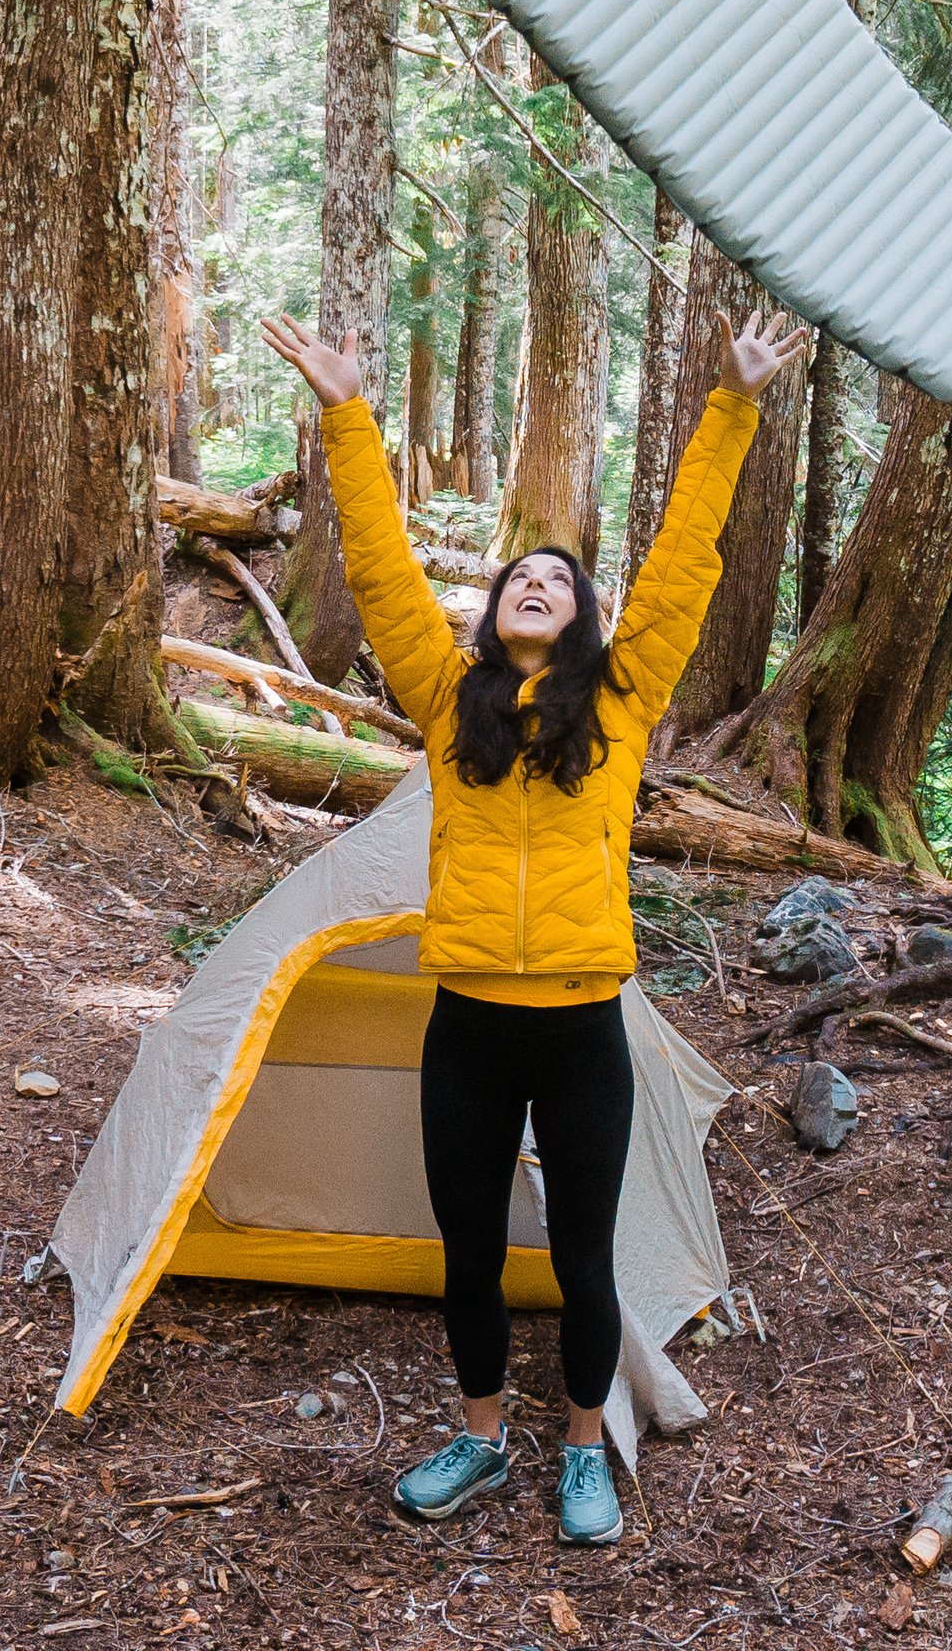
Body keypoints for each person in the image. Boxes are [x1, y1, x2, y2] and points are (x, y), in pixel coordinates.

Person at [261, 304, 807, 1546]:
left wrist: (731, 403)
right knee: (466, 1249)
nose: (538, 584)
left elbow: (684, 562)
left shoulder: (623, 698)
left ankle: (579, 1452)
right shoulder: (448, 697)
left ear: (581, 618)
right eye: (519, 576)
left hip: (578, 1029)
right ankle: (476, 1434)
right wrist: (347, 412)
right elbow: (384, 570)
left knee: (579, 1255)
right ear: (494, 609)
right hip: (465, 1025)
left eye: (559, 581)